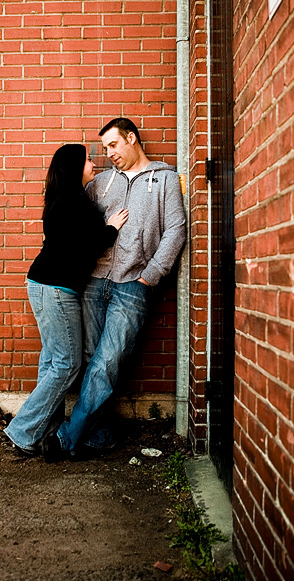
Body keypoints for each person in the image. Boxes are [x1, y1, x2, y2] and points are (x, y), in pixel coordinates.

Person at [42, 117, 186, 461]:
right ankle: (101, 434)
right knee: (91, 360)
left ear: (131, 138)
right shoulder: (101, 182)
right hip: (94, 282)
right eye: (104, 149)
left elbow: (176, 231)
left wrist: (150, 275)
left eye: (113, 145)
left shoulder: (164, 180)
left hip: (132, 286)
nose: (109, 154)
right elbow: (72, 216)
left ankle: (66, 439)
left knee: (107, 363)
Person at [3, 143, 129, 456]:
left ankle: (44, 428)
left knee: (52, 360)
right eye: (88, 159)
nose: (93, 163)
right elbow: (86, 245)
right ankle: (23, 431)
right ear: (74, 166)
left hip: (48, 285)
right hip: (55, 289)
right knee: (67, 364)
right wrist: (110, 228)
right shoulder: (73, 201)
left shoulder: (64, 199)